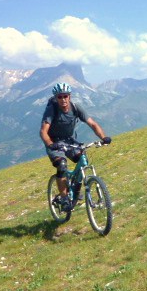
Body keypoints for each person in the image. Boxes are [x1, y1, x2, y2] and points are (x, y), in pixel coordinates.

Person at [40, 82, 111, 211]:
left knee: (83, 159)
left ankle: (75, 190)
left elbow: (93, 124)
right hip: (54, 142)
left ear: (70, 96)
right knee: (61, 165)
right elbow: (43, 131)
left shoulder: (76, 108)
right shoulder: (52, 110)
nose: (63, 99)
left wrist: (104, 138)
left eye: (65, 96)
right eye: (60, 97)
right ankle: (64, 198)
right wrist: (51, 144)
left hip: (69, 141)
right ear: (56, 98)